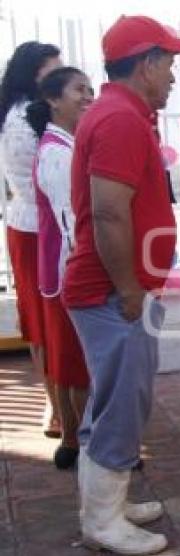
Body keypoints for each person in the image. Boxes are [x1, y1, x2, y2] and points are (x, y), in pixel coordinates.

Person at [62, 15, 180, 556]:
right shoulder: (118, 119)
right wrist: (130, 289)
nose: (172, 75)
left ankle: (106, 502)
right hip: (112, 291)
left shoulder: (124, 114)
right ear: (146, 64)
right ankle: (103, 520)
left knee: (115, 399)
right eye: (168, 64)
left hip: (121, 287)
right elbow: (109, 213)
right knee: (121, 404)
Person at [26, 66, 94, 469]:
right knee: (77, 365)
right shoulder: (56, 152)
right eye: (78, 90)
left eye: (90, 89)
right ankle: (83, 440)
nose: (87, 97)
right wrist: (84, 276)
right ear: (53, 100)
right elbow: (71, 222)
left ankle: (75, 438)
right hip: (69, 273)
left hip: (66, 271)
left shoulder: (67, 144)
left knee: (72, 362)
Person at [0, 41, 63, 438]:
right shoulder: (32, 117)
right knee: (49, 320)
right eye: (53, 70)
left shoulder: (11, 112)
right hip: (43, 228)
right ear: (34, 73)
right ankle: (60, 407)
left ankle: (55, 404)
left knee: (38, 321)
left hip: (23, 224)